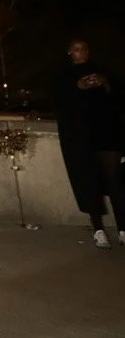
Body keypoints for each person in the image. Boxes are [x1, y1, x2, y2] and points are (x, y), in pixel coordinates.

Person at [53, 38, 125, 249]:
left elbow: (118, 97)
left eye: (84, 48)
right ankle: (98, 230)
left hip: (106, 133)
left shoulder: (103, 70)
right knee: (89, 182)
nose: (81, 52)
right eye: (76, 49)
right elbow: (61, 103)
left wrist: (104, 82)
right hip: (80, 137)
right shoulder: (63, 74)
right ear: (69, 51)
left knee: (116, 181)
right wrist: (78, 86)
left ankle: (123, 229)